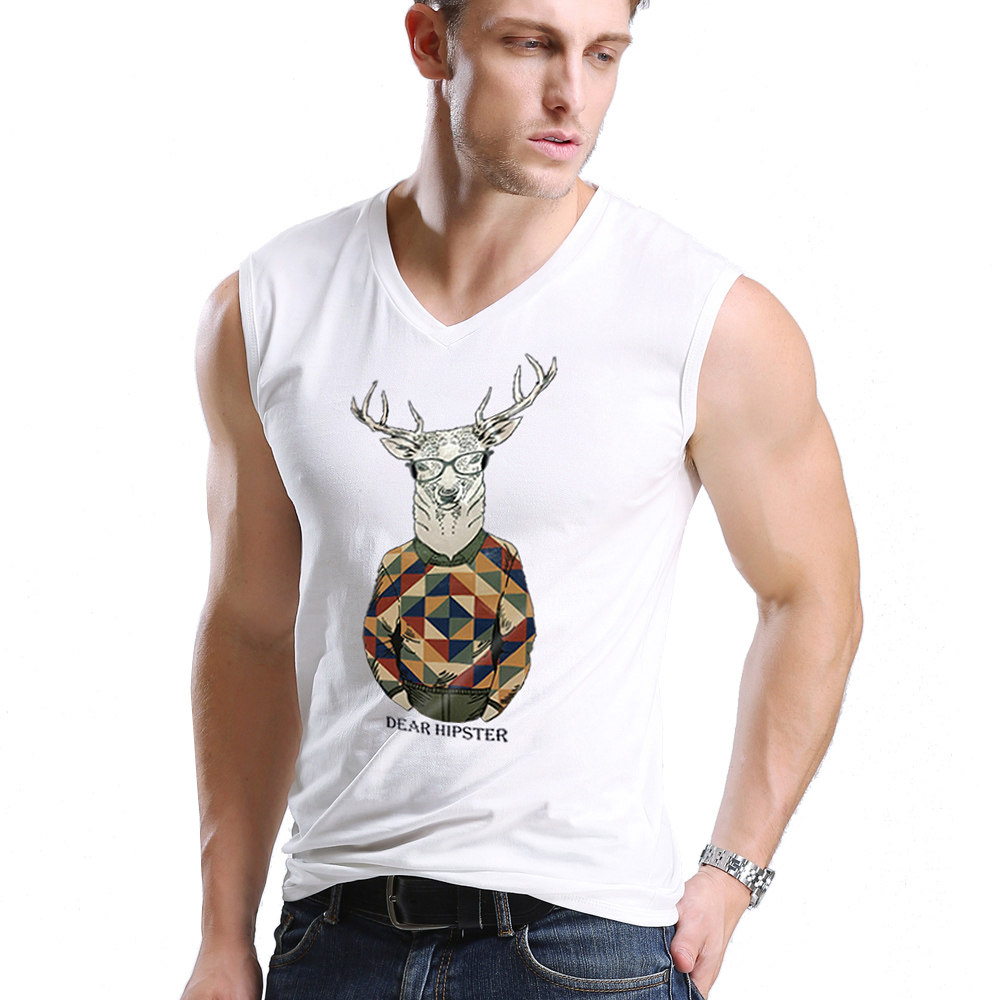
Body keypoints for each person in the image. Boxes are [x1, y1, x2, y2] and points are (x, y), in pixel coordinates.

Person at [180, 1, 862, 998]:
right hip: (335, 938)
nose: (570, 95)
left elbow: (812, 594)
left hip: (585, 944)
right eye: (529, 44)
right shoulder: (270, 306)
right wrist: (220, 933)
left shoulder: (707, 319)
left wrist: (733, 872)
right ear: (431, 43)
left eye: (602, 54)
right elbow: (248, 627)